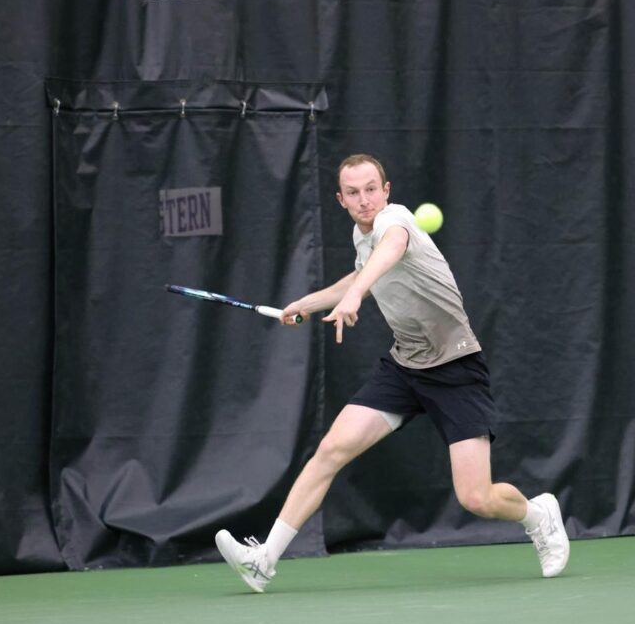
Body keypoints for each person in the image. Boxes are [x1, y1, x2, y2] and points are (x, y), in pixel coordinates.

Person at [214, 154, 570, 592]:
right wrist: (309, 303)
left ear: (386, 191)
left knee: (477, 498)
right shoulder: (360, 236)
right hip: (405, 367)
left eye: (370, 190)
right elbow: (362, 272)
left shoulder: (396, 220)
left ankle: (538, 515)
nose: (364, 200)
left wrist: (356, 297)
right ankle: (263, 559)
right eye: (353, 193)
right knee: (331, 451)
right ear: (340, 198)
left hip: (455, 367)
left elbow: (390, 251)